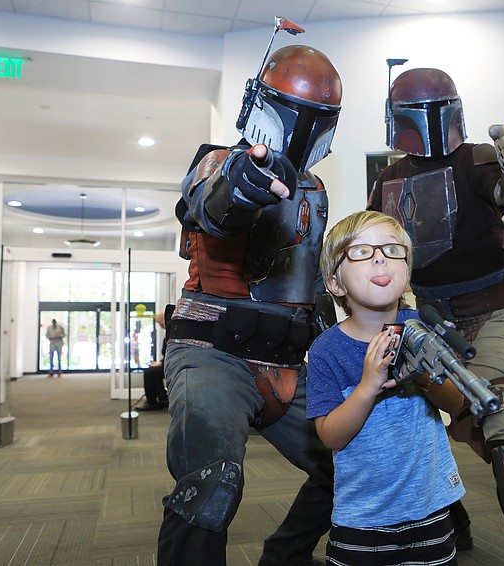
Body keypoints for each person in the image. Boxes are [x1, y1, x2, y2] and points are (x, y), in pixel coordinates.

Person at [157, 35, 342, 566]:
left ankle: (283, 557)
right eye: (296, 113)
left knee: (352, 464)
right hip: (213, 353)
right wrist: (244, 183)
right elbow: (214, 207)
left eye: (319, 116)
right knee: (211, 484)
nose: (305, 129)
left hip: (288, 361)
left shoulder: (314, 189)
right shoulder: (218, 163)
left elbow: (304, 279)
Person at [368, 67, 504, 565]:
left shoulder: (476, 159)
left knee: (503, 420)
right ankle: (450, 526)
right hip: (421, 320)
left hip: (488, 313)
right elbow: (374, 243)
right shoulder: (389, 177)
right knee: (404, 423)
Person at [307, 210, 467, 565]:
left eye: (393, 250)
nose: (380, 257)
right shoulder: (327, 350)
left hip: (430, 507)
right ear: (335, 283)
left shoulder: (423, 327)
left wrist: (423, 375)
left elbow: (456, 404)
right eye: (362, 252)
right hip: (361, 517)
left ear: (407, 272)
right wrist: (367, 386)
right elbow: (331, 436)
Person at [136, 308, 172, 411]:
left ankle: (152, 402)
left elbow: (174, 355)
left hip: (175, 365)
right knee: (153, 371)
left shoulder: (173, 333)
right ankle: (162, 399)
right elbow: (167, 354)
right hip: (168, 363)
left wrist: (161, 363)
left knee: (149, 373)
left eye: (161, 324)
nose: (161, 327)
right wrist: (160, 363)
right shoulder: (169, 333)